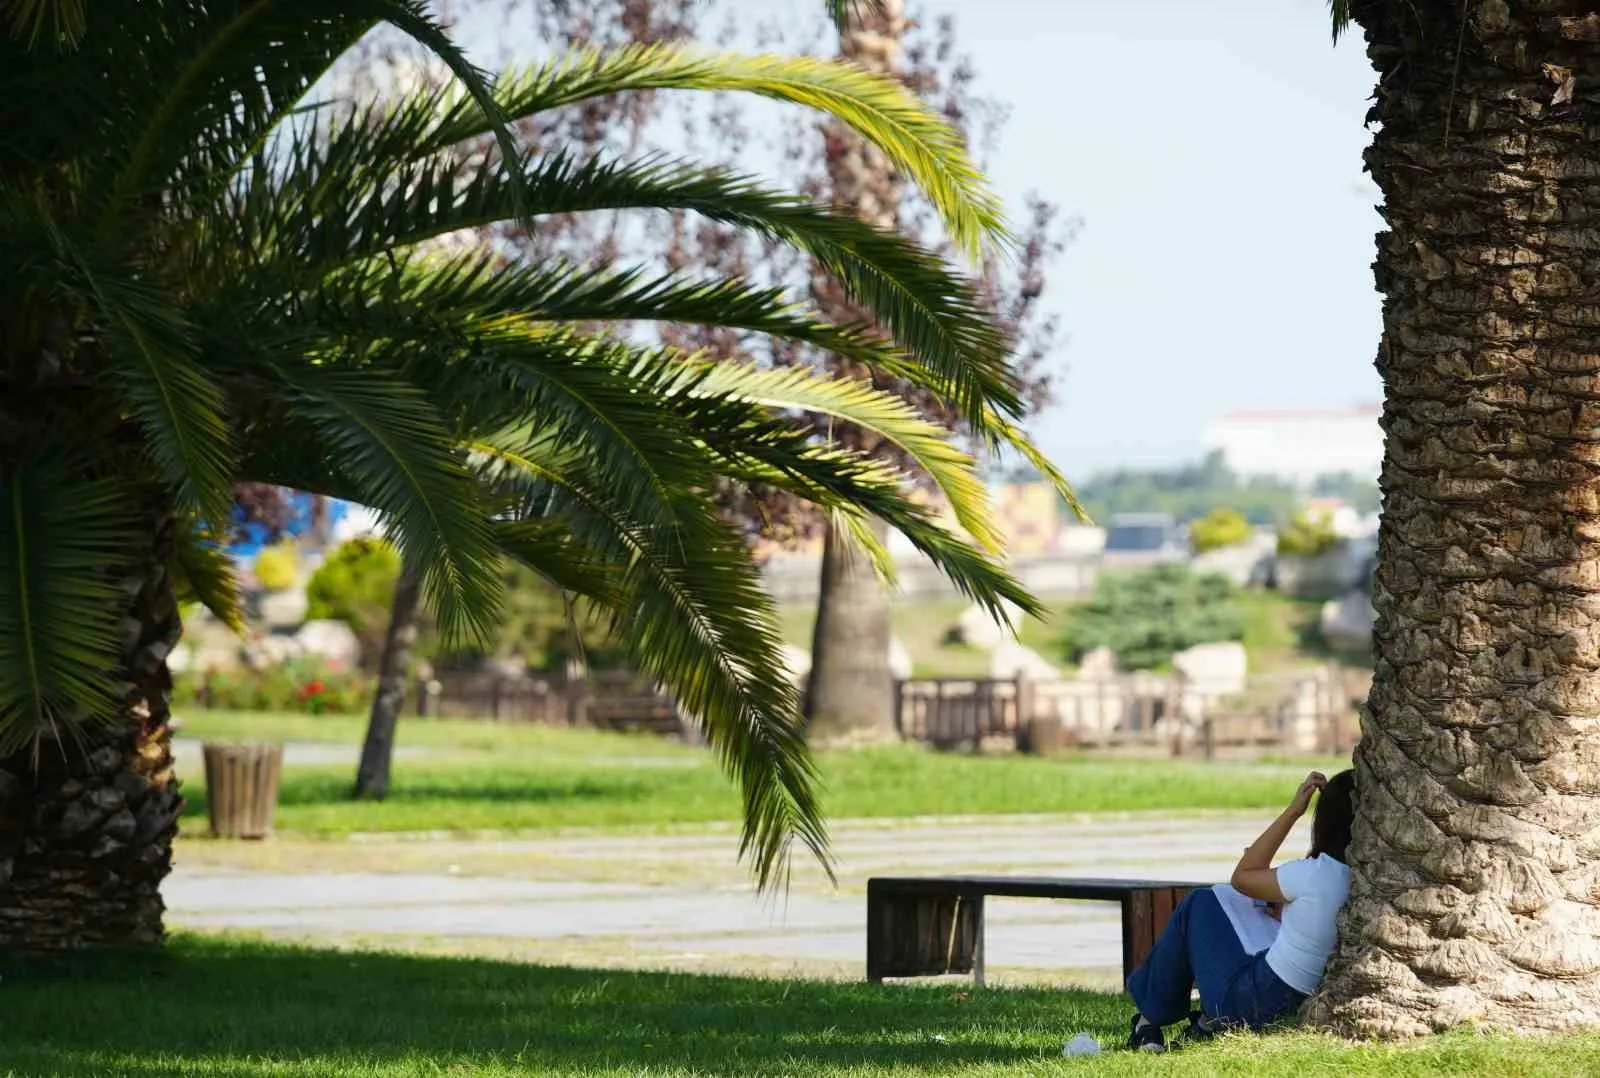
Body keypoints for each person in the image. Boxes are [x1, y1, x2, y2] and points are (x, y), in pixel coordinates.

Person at [1123, 768, 1356, 1052]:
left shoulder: (1314, 874)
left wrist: (1294, 811)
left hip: (1251, 1004)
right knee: (1249, 914)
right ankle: (1203, 1025)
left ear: (1327, 822)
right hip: (1299, 1000)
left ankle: (1148, 1022)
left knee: (1200, 903)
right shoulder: (1374, 879)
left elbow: (1243, 875)